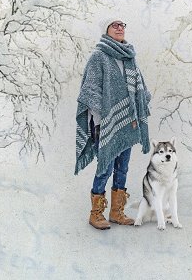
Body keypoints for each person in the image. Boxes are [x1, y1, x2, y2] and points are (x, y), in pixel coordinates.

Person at [75, 17, 151, 230]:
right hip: (105, 124)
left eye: (122, 25)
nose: (119, 28)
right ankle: (95, 213)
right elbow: (89, 92)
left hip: (128, 123)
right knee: (105, 168)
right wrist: (103, 117)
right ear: (106, 30)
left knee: (123, 168)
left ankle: (117, 212)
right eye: (114, 25)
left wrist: (141, 105)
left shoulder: (130, 57)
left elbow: (140, 88)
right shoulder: (99, 57)